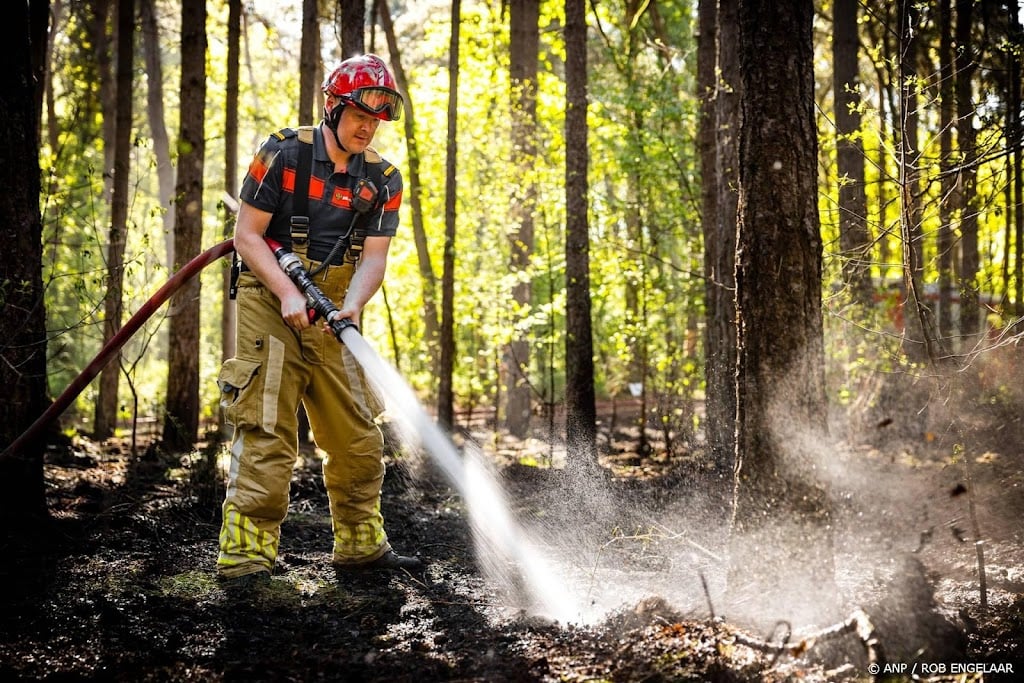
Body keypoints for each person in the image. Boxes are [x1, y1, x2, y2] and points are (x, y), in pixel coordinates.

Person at [216, 53, 422, 584]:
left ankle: (360, 545)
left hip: (335, 309)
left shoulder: (383, 179)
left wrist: (351, 308)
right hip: (271, 303)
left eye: (376, 119)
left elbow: (373, 259)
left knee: (356, 435)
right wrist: (286, 292)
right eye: (358, 114)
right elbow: (246, 236)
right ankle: (246, 558)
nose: (367, 126)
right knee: (266, 430)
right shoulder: (282, 154)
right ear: (332, 106)